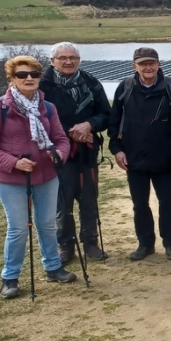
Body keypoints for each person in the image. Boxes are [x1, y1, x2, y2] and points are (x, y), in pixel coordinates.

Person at [0, 55, 76, 299]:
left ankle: (53, 267)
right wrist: (14, 162)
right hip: (11, 178)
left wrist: (60, 155)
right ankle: (10, 278)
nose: (29, 78)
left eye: (34, 74)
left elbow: (61, 139)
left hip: (46, 175)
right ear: (12, 79)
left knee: (47, 224)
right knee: (19, 228)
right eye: (22, 75)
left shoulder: (47, 107)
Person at [108, 47, 171, 262]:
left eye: (152, 63)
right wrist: (117, 149)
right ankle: (145, 244)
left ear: (159, 65)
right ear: (135, 66)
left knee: (167, 202)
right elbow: (114, 122)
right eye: (143, 63)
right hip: (134, 158)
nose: (148, 67)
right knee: (139, 204)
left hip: (165, 159)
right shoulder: (125, 87)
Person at [39, 42, 111, 264]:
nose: (68, 61)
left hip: (87, 152)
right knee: (62, 200)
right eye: (63, 58)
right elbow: (38, 118)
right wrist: (72, 133)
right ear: (52, 61)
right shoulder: (43, 86)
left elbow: (106, 115)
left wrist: (89, 125)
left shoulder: (90, 82)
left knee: (89, 198)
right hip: (57, 153)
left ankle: (90, 242)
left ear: (79, 60)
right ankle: (66, 245)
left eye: (73, 57)